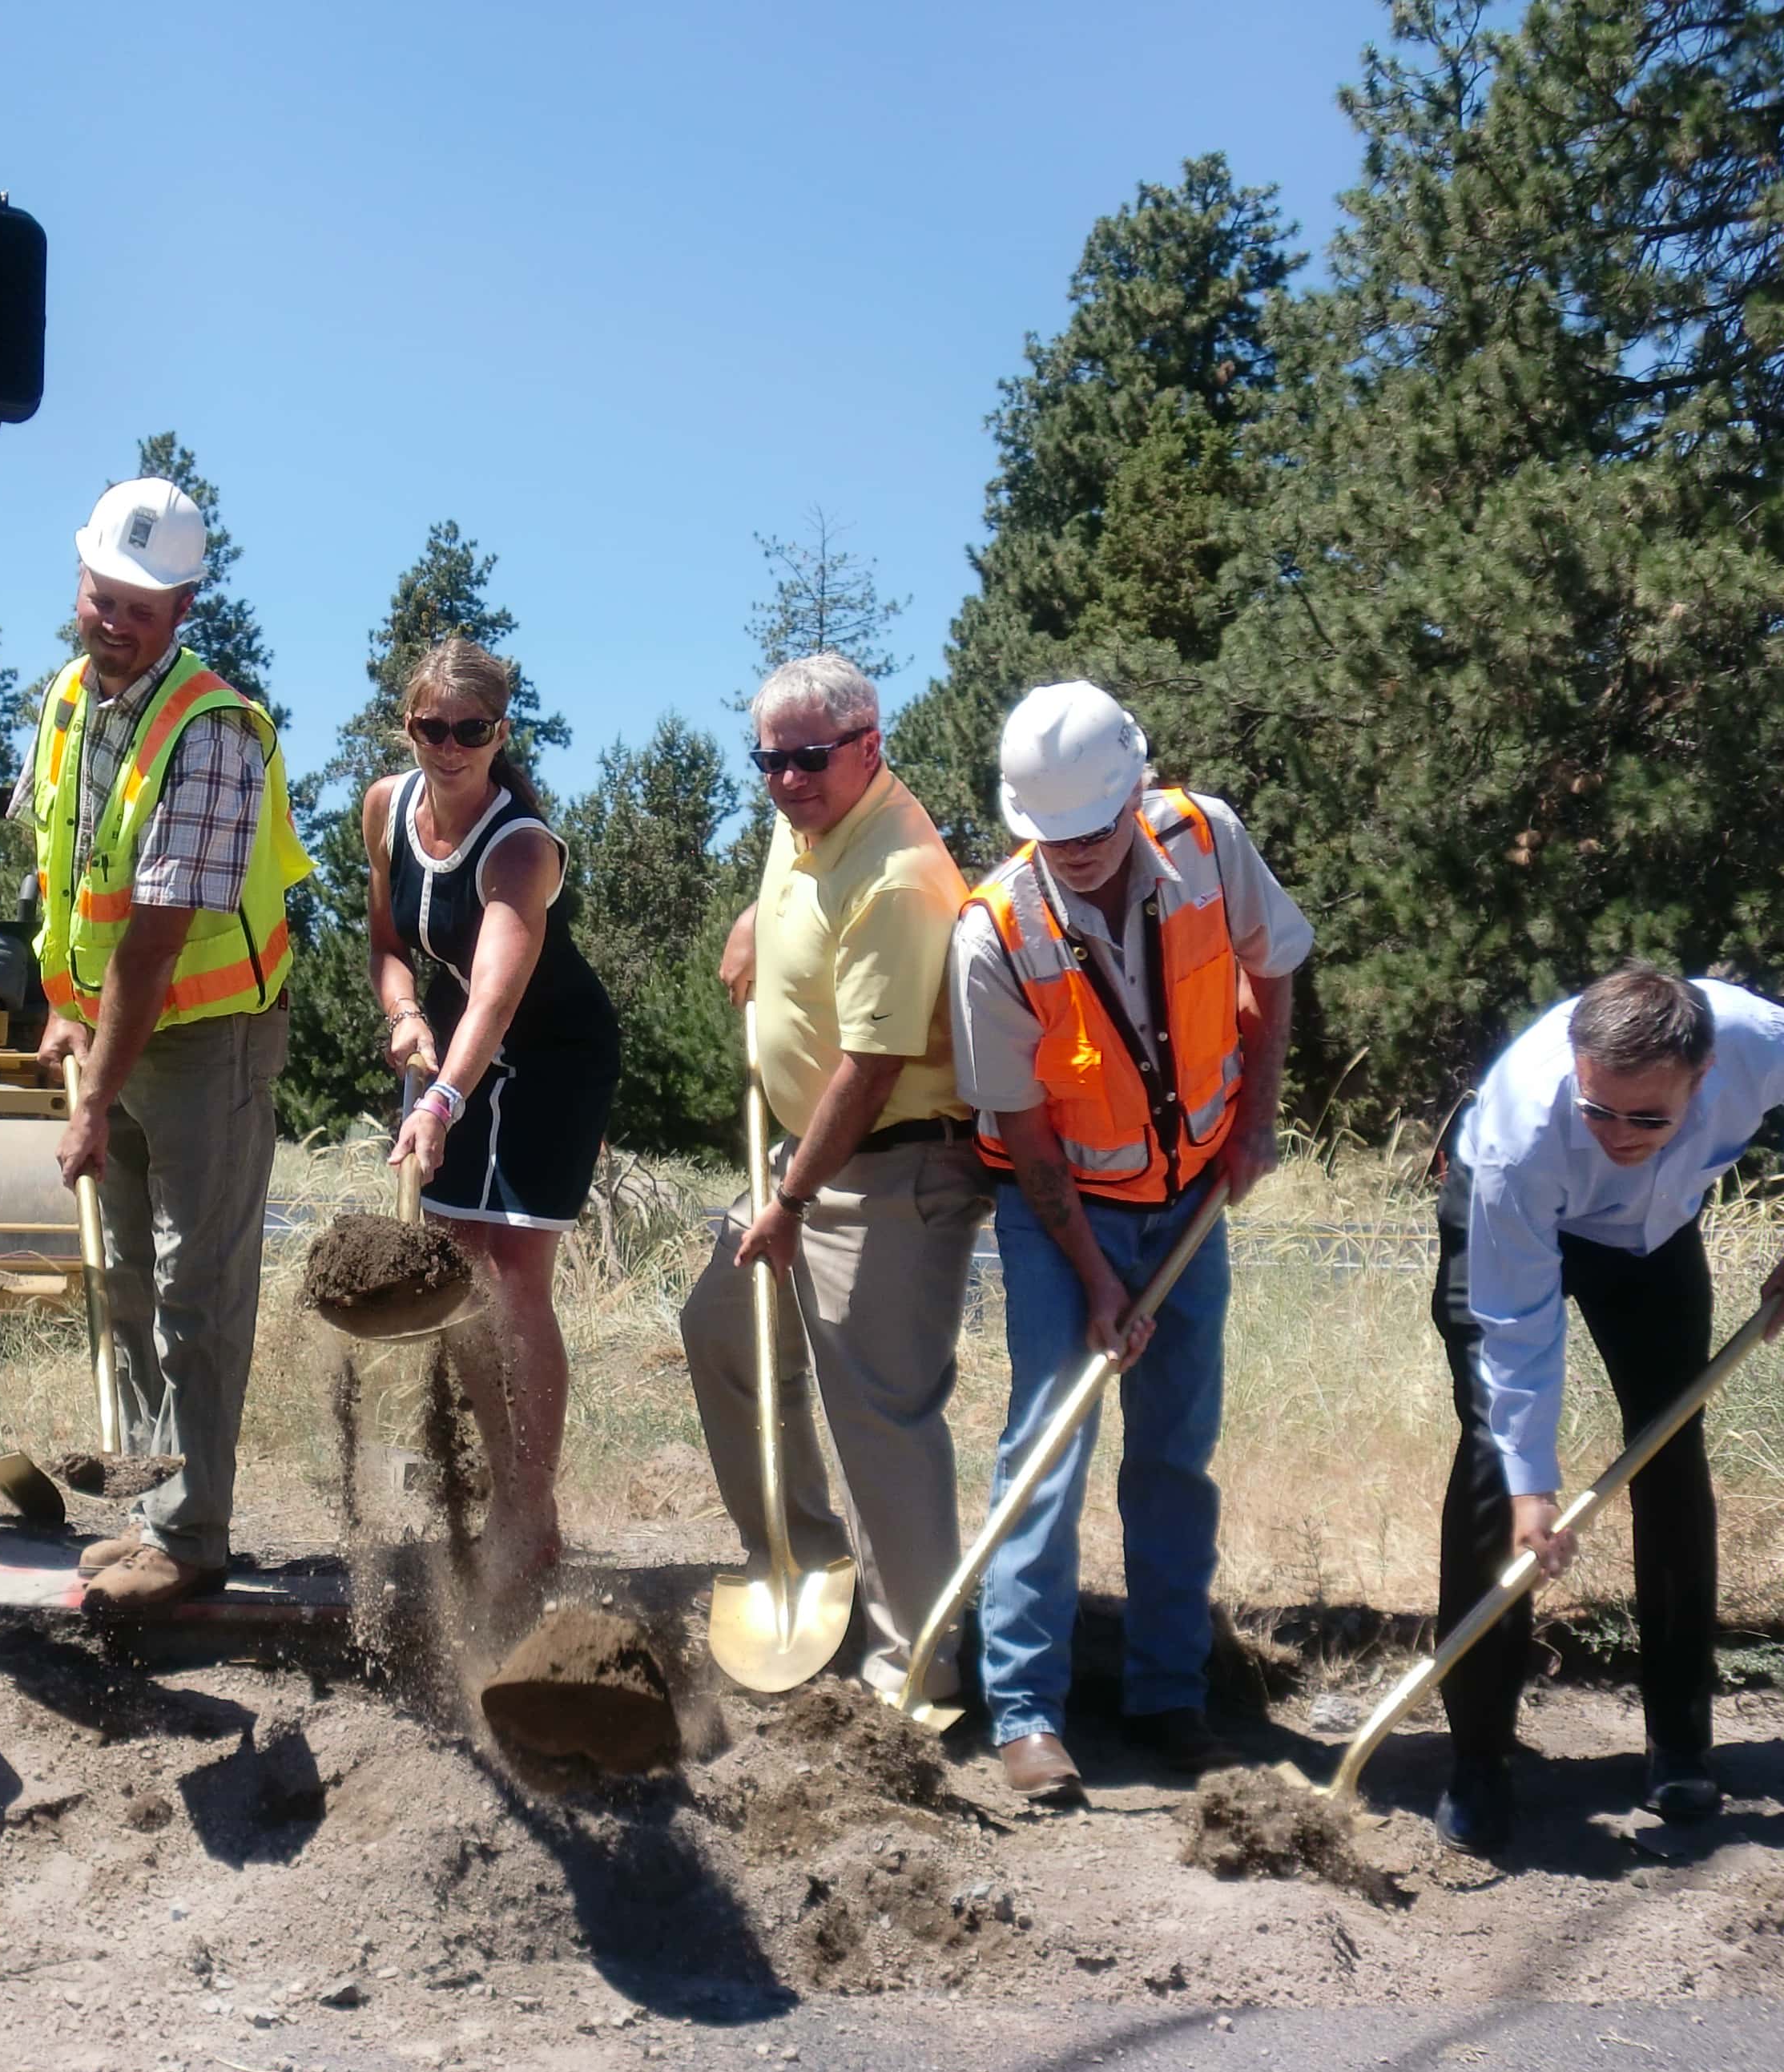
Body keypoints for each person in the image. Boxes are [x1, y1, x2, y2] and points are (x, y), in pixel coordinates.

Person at [948, 679, 1306, 1800]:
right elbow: (1026, 1134)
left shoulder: (1207, 839)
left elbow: (1274, 964)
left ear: (1138, 793)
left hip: (1193, 1197)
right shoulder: (994, 932)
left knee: (1173, 1456)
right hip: (1064, 1216)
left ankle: (1169, 1697)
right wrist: (1099, 1281)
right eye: (1051, 837)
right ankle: (1023, 1713)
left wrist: (1254, 1117)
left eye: (1097, 829)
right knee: (1044, 1456)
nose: (1080, 854)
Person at [20, 479, 313, 1613]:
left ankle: (192, 1536)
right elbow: (60, 865)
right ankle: (152, 1512)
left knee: (198, 1282)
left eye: (145, 600)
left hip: (206, 1041)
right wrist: (61, 1001)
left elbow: (154, 937)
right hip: (113, 1031)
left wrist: (93, 1094)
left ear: (184, 603)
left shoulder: (214, 733)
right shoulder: (64, 703)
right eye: (105, 591)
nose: (118, 615)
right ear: (80, 579)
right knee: (129, 1281)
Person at [678, 653, 990, 1699]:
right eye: (765, 760)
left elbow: (875, 1067)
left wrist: (793, 1202)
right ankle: (806, 1565)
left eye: (807, 759)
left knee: (880, 1420)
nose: (783, 780)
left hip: (886, 1171)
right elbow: (794, 870)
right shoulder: (807, 815)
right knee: (722, 1331)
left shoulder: (900, 876)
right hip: (805, 1155)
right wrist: (754, 922)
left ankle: (922, 1670)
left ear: (870, 748)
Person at [1430, 963, 1784, 1854]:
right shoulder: (1523, 1129)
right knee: (1493, 1469)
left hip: (1657, 1241)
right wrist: (1532, 1493)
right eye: (1600, 1110)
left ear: (1702, 1076)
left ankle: (1679, 1742)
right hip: (1515, 1221)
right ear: (1576, 1068)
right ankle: (1478, 1760)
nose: (1620, 1134)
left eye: (1647, 1117)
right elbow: (1513, 1329)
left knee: (1670, 1450)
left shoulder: (1754, 1041)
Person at [368, 636, 620, 1602]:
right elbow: (390, 946)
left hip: (549, 1057)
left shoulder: (520, 845)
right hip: (457, 1048)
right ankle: (496, 1477)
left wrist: (440, 1099)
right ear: (409, 727)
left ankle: (529, 1508)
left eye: (471, 729)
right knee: (455, 1270)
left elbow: (500, 997)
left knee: (512, 1274)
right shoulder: (387, 810)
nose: (450, 745)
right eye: (432, 726)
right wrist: (401, 1014)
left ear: (499, 731)